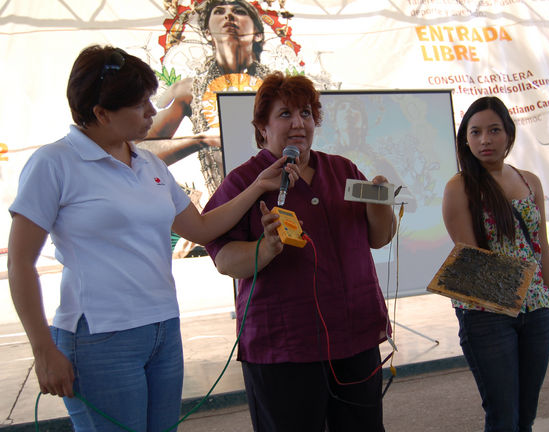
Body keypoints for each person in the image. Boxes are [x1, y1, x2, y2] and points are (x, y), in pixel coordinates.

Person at [7, 45, 297, 432]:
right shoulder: (54, 163)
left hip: (162, 330)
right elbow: (20, 262)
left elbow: (201, 228)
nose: (152, 113)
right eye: (141, 104)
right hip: (99, 337)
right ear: (101, 113)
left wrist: (258, 186)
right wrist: (43, 350)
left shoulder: (149, 163)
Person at [203, 71, 396, 431]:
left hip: (354, 338)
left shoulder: (342, 170)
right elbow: (224, 258)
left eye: (306, 113)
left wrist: (381, 202)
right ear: (262, 127)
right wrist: (266, 249)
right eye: (284, 114)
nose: (298, 123)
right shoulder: (246, 181)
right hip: (284, 346)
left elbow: (379, 237)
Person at [441, 96, 549, 432]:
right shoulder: (459, 187)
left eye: (494, 130)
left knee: (526, 415)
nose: (485, 140)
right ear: (465, 138)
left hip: (537, 310)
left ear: (508, 133)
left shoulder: (529, 181)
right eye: (475, 132)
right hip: (486, 315)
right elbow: (474, 262)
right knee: (503, 416)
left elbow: (542, 251)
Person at [144, 0, 270, 193]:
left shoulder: (280, 87)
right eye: (219, 11)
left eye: (238, 11)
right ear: (207, 33)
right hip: (222, 204)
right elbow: (140, 151)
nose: (229, 16)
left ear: (258, 33)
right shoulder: (188, 89)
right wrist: (199, 140)